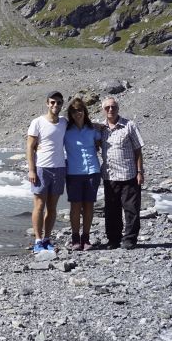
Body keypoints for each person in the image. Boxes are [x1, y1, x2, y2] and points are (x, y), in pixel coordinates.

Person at [100, 96, 145, 249]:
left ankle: (130, 239)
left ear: (118, 108)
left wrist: (140, 171)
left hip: (129, 174)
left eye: (113, 107)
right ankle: (113, 239)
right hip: (110, 176)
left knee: (131, 209)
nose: (111, 110)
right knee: (111, 210)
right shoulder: (101, 128)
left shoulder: (129, 125)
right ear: (103, 110)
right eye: (107, 108)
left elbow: (138, 150)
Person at [26, 91, 68, 252]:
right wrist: (31, 170)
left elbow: (81, 123)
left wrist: (98, 126)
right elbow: (30, 146)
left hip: (59, 168)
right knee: (39, 205)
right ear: (47, 103)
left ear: (62, 104)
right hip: (41, 168)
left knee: (52, 207)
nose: (55, 105)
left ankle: (47, 239)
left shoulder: (64, 122)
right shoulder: (37, 122)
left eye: (58, 102)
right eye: (52, 102)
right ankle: (37, 240)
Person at [63, 97, 102, 250]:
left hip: (93, 171)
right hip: (73, 172)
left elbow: (101, 143)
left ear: (84, 111)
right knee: (75, 206)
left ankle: (86, 238)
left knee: (89, 206)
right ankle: (75, 238)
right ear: (70, 114)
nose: (77, 113)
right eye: (73, 111)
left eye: (80, 110)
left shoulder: (93, 130)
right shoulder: (66, 131)